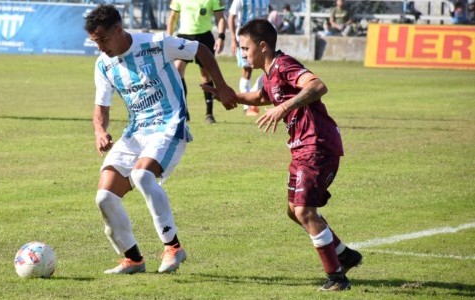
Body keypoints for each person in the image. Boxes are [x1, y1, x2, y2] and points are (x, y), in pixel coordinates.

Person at [202, 19, 363, 291]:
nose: (242, 53)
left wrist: (283, 108)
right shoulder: (269, 74)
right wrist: (230, 96)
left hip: (317, 144)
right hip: (302, 148)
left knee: (304, 210)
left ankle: (337, 278)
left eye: (245, 48)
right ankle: (345, 254)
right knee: (293, 211)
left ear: (263, 46)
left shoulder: (285, 65)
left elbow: (317, 86)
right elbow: (263, 97)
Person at [84, 4, 237, 275]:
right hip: (136, 131)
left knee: (143, 176)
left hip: (170, 125)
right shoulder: (103, 65)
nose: (101, 48)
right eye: (96, 42)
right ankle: (133, 259)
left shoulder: (155, 44)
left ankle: (173, 247)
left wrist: (222, 87)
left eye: (104, 40)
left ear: (118, 30)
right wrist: (99, 130)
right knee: (104, 197)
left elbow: (200, 49)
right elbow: (101, 107)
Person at [166, 0, 227, 124]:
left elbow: (220, 17)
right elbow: (173, 18)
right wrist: (167, 38)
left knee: (205, 75)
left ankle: (209, 113)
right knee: (177, 70)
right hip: (184, 37)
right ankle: (184, 110)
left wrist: (221, 37)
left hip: (204, 37)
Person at [228, 0, 269, 116]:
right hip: (244, 41)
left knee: (269, 68)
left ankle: (252, 98)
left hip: (261, 41)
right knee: (247, 70)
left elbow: (265, 19)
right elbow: (231, 18)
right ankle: (248, 107)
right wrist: (232, 39)